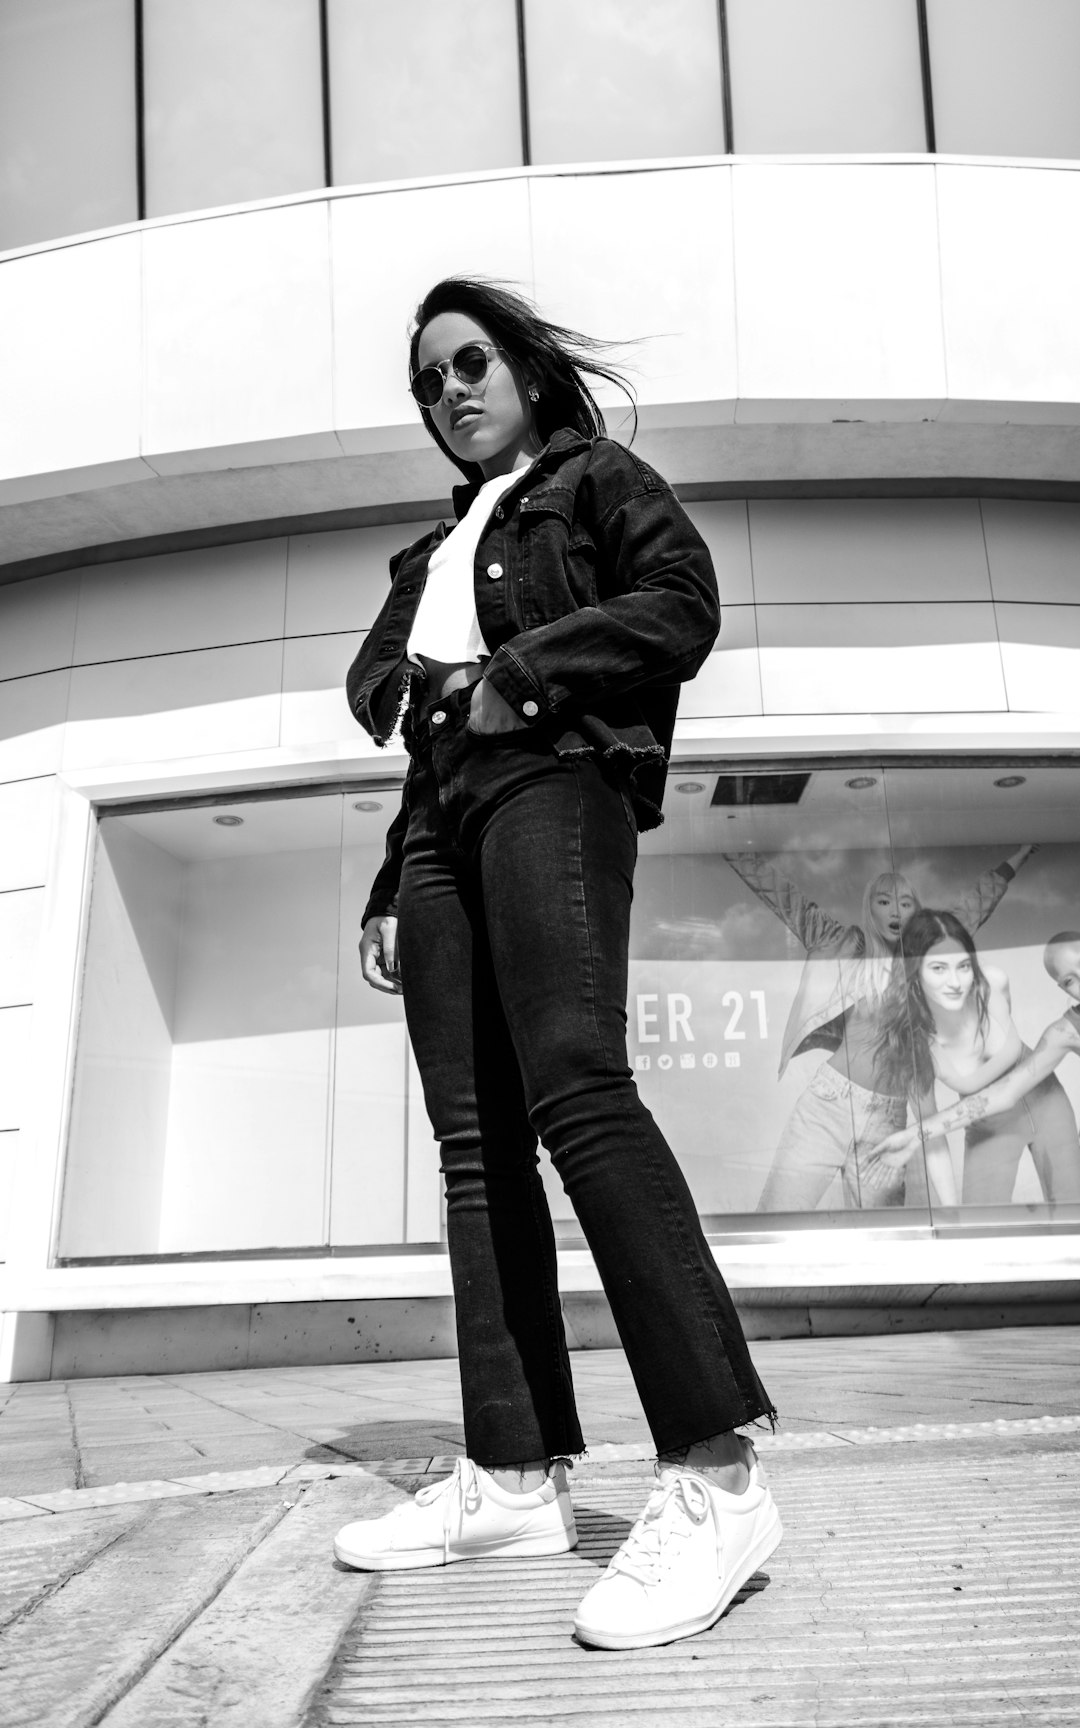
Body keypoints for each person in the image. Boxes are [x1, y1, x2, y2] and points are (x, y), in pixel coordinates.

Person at [332, 277, 781, 1651]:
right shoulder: (434, 551)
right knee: (474, 1149)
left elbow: (678, 604)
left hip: (551, 779)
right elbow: (410, 726)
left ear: (524, 367)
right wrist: (393, 879)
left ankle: (717, 1476)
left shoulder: (592, 481)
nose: (452, 389)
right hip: (443, 829)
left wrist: (519, 676)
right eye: (428, 381)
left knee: (577, 1091)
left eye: (472, 362)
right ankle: (513, 1477)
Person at [722, 849, 1035, 1211]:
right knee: (777, 1217)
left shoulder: (926, 963)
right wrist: (736, 853)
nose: (894, 910)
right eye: (884, 901)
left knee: (884, 1234)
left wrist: (1010, 865)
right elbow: (788, 900)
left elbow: (969, 912)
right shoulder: (846, 947)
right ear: (870, 909)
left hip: (888, 1119)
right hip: (827, 1106)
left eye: (905, 903)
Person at [865, 910, 1080, 1205]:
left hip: (1047, 1100)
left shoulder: (992, 984)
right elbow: (1001, 1096)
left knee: (1071, 1208)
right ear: (914, 972)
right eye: (938, 968)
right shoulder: (915, 1047)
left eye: (964, 966)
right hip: (988, 1120)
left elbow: (1010, 1085)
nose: (955, 982)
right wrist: (953, 1214)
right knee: (981, 1220)